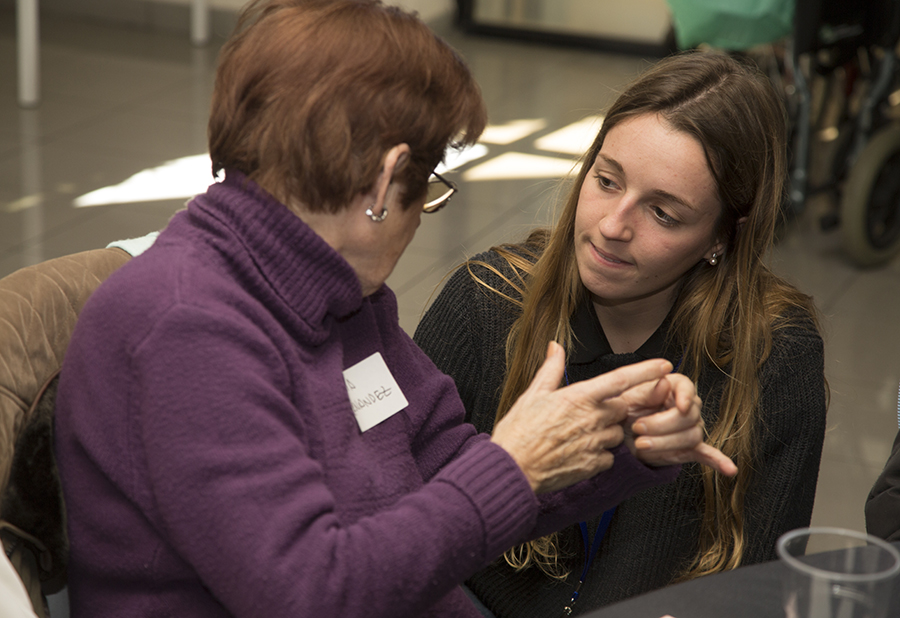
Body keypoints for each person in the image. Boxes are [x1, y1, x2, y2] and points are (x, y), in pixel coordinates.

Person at [51, 3, 736, 617]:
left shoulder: (342, 298)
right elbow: (311, 593)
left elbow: (451, 465)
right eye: (428, 184)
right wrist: (515, 466)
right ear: (385, 180)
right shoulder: (186, 329)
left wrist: (617, 442)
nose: (421, 216)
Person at [414, 50, 828, 616]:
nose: (612, 226)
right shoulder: (484, 301)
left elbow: (759, 587)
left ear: (723, 236)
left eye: (664, 214)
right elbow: (403, 532)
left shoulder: (776, 353)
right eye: (606, 181)